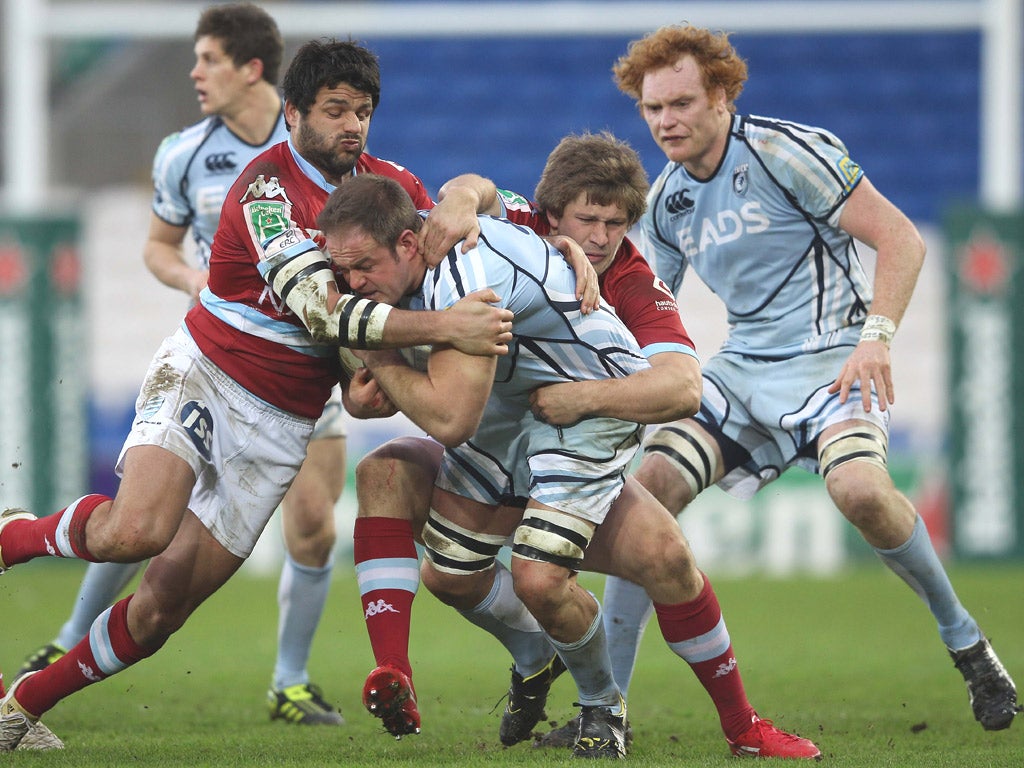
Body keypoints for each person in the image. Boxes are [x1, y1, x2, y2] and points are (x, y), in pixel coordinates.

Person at [0, 37, 515, 752]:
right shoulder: (263, 190)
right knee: (135, 532)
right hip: (208, 372)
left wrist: (476, 198)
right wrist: (445, 325)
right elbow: (321, 310)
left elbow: (488, 214)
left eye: (363, 111)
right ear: (294, 112)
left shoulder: (387, 188)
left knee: (160, 612)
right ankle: (12, 537)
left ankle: (18, 708)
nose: (353, 126)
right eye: (336, 110)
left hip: (283, 422)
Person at [588, 22, 1018, 735]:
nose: (666, 121)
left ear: (721, 94)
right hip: (744, 371)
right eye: (652, 108)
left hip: (830, 361)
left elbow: (901, 238)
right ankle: (606, 708)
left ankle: (968, 644)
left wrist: (877, 339)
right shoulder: (664, 201)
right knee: (648, 491)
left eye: (681, 103)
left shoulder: (787, 151)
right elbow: (644, 310)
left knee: (862, 493)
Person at [347, 133, 820, 759]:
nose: (599, 238)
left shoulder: (629, 278)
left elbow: (682, 389)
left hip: (576, 432)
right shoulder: (514, 229)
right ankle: (535, 659)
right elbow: (478, 188)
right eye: (587, 220)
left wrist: (583, 400)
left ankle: (725, 725)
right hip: (504, 430)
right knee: (441, 566)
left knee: (653, 560)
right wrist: (460, 195)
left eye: (616, 223)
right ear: (550, 216)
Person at [13, 2, 351, 727]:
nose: (193, 73)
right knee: (142, 519)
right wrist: (193, 280)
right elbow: (158, 246)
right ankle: (67, 633)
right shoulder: (185, 153)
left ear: (252, 69)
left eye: (207, 59)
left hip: (307, 373)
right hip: (221, 352)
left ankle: (290, 679)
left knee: (316, 525)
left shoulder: (337, 166)